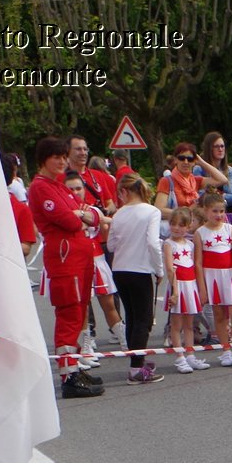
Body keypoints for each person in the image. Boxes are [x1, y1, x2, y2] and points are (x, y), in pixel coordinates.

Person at [29, 136, 103, 398]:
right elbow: (69, 220)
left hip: (79, 256)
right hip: (64, 257)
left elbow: (93, 215)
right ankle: (67, 374)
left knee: (80, 309)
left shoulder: (59, 185)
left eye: (63, 156)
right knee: (69, 313)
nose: (61, 161)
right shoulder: (41, 187)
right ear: (43, 160)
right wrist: (80, 216)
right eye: (55, 157)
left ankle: (73, 367)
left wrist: (81, 215)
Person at [106, 174, 165, 383]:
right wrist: (159, 270)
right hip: (140, 269)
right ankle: (136, 368)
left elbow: (111, 245)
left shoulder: (118, 214)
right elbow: (152, 242)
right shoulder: (152, 212)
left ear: (125, 192)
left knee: (131, 316)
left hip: (120, 269)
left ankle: (136, 359)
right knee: (144, 319)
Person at [65, 172, 125, 349]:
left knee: (109, 303)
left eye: (79, 188)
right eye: (71, 189)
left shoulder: (94, 209)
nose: (76, 192)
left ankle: (125, 340)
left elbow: (105, 227)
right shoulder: (64, 211)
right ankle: (86, 345)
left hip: (97, 259)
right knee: (82, 306)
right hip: (76, 261)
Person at [197, 193, 232, 366]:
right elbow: (198, 263)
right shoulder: (200, 233)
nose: (219, 215)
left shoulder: (230, 229)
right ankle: (226, 350)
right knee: (219, 315)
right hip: (212, 277)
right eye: (215, 211)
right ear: (205, 211)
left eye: (222, 211)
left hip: (230, 275)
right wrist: (203, 288)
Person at [162, 207, 206, 372]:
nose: (176, 228)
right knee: (176, 324)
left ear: (188, 227)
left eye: (181, 225)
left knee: (189, 324)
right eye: (173, 224)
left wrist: (200, 289)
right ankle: (180, 358)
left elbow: (195, 266)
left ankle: (190, 356)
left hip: (190, 286)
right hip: (178, 286)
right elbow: (170, 269)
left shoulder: (190, 244)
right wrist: (174, 291)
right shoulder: (168, 243)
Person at [70, 135, 118, 214]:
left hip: (100, 223)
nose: (83, 153)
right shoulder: (61, 177)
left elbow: (111, 204)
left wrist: (105, 211)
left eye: (85, 149)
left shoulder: (97, 175)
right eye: (78, 149)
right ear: (68, 151)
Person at [155, 142, 204, 211]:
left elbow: (222, 180)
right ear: (175, 160)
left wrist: (202, 162)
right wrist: (186, 212)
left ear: (194, 161)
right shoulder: (166, 181)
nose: (186, 162)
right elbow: (159, 209)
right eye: (181, 158)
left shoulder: (196, 180)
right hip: (174, 221)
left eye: (190, 159)